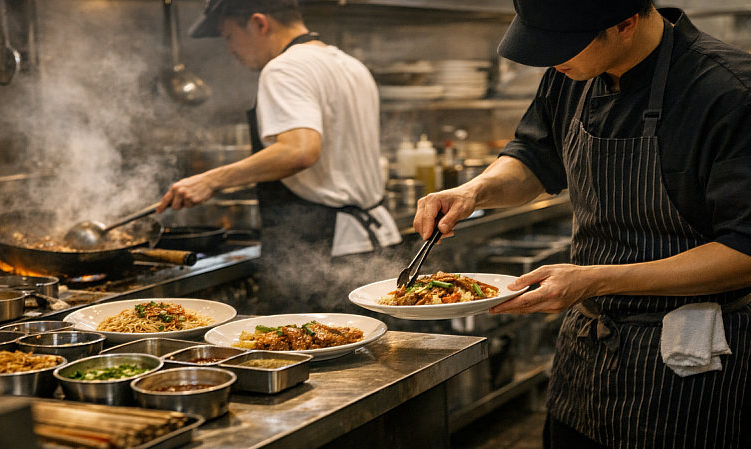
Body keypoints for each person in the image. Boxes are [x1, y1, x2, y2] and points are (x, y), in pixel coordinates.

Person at [414, 1, 751, 448]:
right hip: (587, 353)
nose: (552, 59)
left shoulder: (729, 91)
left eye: (563, 47)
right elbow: (534, 158)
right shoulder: (571, 71)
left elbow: (744, 253)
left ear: (625, 23)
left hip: (691, 360)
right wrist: (474, 191)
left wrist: (594, 279)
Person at [158, 0, 401, 313]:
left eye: (229, 36)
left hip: (324, 249)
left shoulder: (284, 68)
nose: (229, 49)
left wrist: (211, 179)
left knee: (309, 355)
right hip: (374, 240)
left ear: (260, 23)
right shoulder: (348, 64)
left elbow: (299, 150)